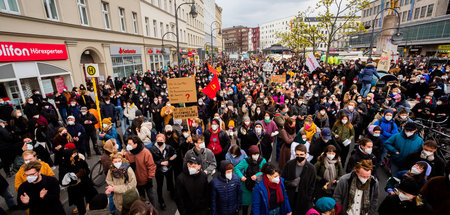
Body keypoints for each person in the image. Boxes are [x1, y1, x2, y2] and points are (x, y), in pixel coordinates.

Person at [59, 147, 98, 215]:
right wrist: (75, 177)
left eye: (75, 153)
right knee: (79, 204)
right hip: (74, 187)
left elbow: (87, 170)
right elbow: (62, 179)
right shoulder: (63, 166)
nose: (75, 155)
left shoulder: (80, 160)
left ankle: (88, 205)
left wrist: (84, 172)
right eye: (73, 154)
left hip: (84, 183)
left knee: (89, 195)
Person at [281, 144, 316, 215]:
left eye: (301, 154)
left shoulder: (311, 168)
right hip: (290, 196)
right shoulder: (289, 164)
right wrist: (290, 183)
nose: (299, 156)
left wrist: (308, 199)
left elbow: (312, 185)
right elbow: (282, 179)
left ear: (306, 154)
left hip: (303, 199)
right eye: (297, 154)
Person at [234, 145, 267, 215]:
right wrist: (241, 176)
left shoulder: (262, 160)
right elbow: (236, 168)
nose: (256, 156)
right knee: (245, 205)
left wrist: (257, 175)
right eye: (254, 154)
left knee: (255, 205)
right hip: (246, 185)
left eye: (258, 154)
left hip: (258, 185)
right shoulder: (245, 161)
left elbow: (265, 171)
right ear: (250, 154)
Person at [124, 135, 156, 205]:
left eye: (130, 144)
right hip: (136, 181)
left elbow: (151, 166)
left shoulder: (145, 152)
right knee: (141, 198)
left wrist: (150, 178)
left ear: (136, 144)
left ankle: (153, 210)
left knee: (151, 196)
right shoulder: (127, 154)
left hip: (146, 180)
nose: (128, 146)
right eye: (127, 144)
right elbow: (125, 167)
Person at [149, 134, 176, 210]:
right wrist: (160, 163)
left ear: (164, 140)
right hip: (159, 170)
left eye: (161, 140)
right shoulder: (152, 149)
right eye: (158, 140)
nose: (160, 142)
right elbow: (152, 161)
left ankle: (172, 194)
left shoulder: (168, 147)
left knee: (170, 182)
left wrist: (173, 157)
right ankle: (161, 202)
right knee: (159, 186)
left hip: (168, 169)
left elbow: (175, 153)